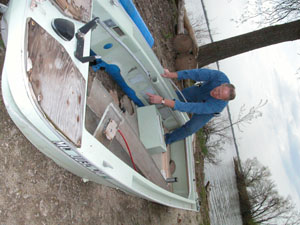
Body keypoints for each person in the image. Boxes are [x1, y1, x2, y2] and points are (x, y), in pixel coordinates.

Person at [146, 68, 236, 145]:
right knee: (176, 97)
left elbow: (191, 107)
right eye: (218, 90)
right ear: (222, 84)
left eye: (219, 95)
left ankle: (167, 139)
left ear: (223, 100)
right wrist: (171, 74)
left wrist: (162, 100)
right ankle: (151, 102)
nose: (215, 93)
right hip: (201, 89)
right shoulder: (220, 76)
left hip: (207, 111)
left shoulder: (217, 106)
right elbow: (196, 73)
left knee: (191, 128)